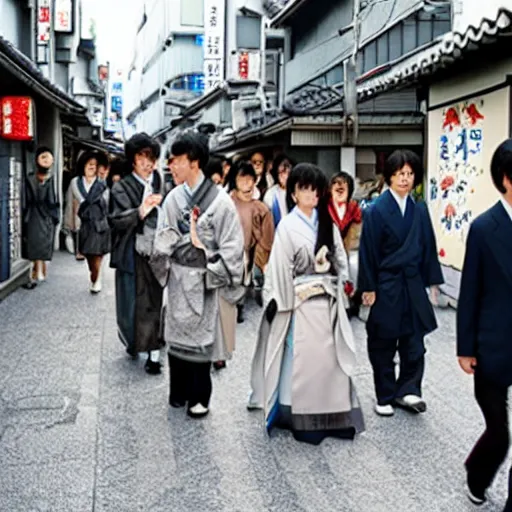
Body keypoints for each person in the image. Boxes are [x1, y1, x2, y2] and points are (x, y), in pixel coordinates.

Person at [248, 163, 364, 445]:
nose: (311, 195)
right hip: (298, 303)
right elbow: (278, 268)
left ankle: (331, 414)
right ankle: (294, 414)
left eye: (315, 190)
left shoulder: (326, 222)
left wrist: (344, 281)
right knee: (299, 359)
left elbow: (339, 258)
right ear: (294, 193)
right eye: (304, 189)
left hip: (326, 302)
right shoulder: (287, 226)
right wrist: (279, 299)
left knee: (329, 360)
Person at [152, 132, 244, 418]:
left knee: (201, 342)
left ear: (194, 162)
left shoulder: (221, 203)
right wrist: (165, 251)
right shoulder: (172, 199)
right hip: (178, 277)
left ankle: (199, 397)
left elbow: (233, 248)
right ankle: (177, 392)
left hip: (204, 278)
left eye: (176, 160)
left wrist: (210, 267)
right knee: (177, 337)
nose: (171, 166)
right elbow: (160, 239)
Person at [358, 150, 443, 417]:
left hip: (413, 282)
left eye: (410, 174)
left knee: (414, 339)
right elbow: (368, 251)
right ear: (390, 176)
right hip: (388, 282)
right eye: (400, 174)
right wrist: (369, 287)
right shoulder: (376, 210)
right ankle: (384, 394)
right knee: (384, 339)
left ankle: (409, 388)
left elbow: (428, 245)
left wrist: (433, 282)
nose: (405, 179)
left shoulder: (419, 208)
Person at [457, 139, 512, 510]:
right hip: (492, 345)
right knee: (499, 432)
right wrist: (465, 348)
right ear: (507, 179)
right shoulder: (483, 227)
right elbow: (469, 292)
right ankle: (477, 473)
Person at [109, 133, 165, 375]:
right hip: (130, 252)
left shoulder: (160, 182)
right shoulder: (121, 187)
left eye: (151, 157)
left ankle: (154, 353)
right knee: (130, 304)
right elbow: (115, 220)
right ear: (132, 159)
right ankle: (133, 341)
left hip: (155, 252)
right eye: (142, 157)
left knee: (153, 301)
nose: (147, 162)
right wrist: (141, 210)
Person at [228, 161, 275, 322]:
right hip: (229, 250)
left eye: (249, 179)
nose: (246, 183)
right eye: (242, 179)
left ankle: (239, 306)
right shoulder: (227, 203)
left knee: (244, 280)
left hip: (249, 251)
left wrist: (262, 253)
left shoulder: (261, 207)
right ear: (235, 181)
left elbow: (267, 235)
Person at [71, 151, 111, 293]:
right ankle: (94, 275)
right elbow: (82, 200)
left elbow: (106, 204)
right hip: (85, 224)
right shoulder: (76, 182)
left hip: (99, 224)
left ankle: (98, 279)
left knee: (98, 254)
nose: (92, 167)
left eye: (94, 165)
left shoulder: (102, 184)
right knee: (89, 256)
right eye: (89, 164)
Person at [22, 146, 60, 288]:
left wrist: (55, 217)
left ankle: (39, 270)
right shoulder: (30, 178)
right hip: (33, 214)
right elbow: (25, 199)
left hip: (47, 215)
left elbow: (55, 201)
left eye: (48, 157)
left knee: (43, 243)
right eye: (43, 157)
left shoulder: (52, 179)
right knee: (33, 243)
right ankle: (35, 271)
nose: (46, 160)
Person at [328, 171, 363, 317]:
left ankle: (352, 300)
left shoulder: (354, 208)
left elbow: (357, 230)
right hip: (329, 249)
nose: (339, 187)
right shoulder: (325, 208)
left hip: (349, 247)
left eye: (344, 185)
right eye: (335, 184)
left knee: (354, 264)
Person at [263, 153, 293, 227]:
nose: (285, 177)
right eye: (281, 174)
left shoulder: (297, 191)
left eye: (288, 173)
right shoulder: (271, 194)